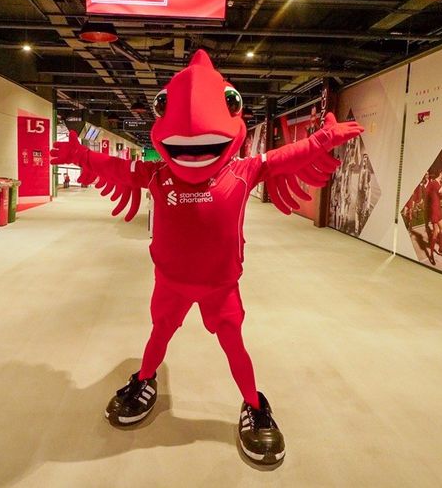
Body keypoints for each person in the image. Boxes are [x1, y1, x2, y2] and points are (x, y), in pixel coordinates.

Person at [50, 50, 363, 465]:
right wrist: (82, 156)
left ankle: (254, 405)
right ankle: (145, 380)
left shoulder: (244, 170)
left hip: (221, 287)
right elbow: (117, 169)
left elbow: (290, 157)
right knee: (157, 336)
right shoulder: (158, 174)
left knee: (235, 349)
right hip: (170, 283)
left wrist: (323, 139)